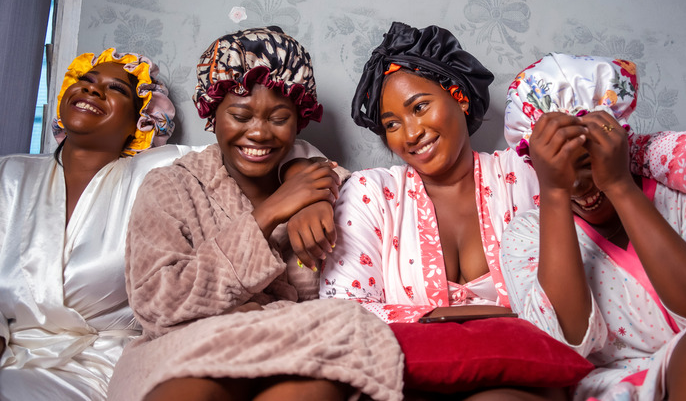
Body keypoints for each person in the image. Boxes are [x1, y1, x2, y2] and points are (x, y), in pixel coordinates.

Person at [318, 22, 686, 399]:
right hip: (418, 371)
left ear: (457, 95)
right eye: (391, 124)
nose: (411, 133)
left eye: (420, 107)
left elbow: (645, 151)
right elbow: (341, 310)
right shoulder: (372, 192)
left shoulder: (526, 172)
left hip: (524, 373)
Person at [107, 27, 404, 401]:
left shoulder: (337, 188)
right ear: (213, 113)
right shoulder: (170, 187)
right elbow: (157, 303)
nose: (259, 133)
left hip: (296, 348)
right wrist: (269, 214)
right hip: (191, 348)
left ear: (299, 121)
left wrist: (315, 193)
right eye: (241, 115)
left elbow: (352, 298)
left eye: (278, 118)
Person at [499, 52, 686, 400]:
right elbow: (560, 343)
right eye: (558, 174)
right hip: (608, 390)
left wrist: (618, 185)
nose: (579, 187)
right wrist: (553, 192)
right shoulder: (526, 234)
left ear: (618, 146)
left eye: (587, 163)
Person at [0, 48, 180, 400]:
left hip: (100, 369)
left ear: (140, 120)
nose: (92, 90)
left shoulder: (158, 175)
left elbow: (260, 149)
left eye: (117, 89)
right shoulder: (9, 175)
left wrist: (296, 177)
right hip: (9, 357)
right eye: (85, 80)